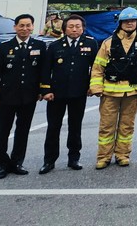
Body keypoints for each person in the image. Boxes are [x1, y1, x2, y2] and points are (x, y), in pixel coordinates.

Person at [89, 7, 137, 169]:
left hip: (132, 92)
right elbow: (98, 67)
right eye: (126, 21)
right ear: (120, 23)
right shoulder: (108, 43)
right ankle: (103, 157)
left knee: (127, 126)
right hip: (110, 92)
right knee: (106, 127)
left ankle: (122, 155)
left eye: (133, 21)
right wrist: (96, 87)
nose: (130, 23)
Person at [0, 14, 46, 179]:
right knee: (3, 132)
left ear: (32, 27)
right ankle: (2, 165)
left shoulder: (39, 46)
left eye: (28, 25)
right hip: (6, 97)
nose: (25, 29)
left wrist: (42, 90)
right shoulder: (4, 47)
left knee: (23, 131)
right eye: (21, 25)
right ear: (15, 27)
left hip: (28, 97)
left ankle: (17, 162)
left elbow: (42, 71)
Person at [39, 14, 98, 174]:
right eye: (71, 26)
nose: (74, 29)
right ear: (64, 29)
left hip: (79, 92)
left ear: (83, 28)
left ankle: (74, 158)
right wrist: (46, 90)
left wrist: (93, 86)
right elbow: (46, 70)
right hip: (56, 94)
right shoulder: (55, 46)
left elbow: (96, 68)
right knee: (53, 127)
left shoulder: (91, 44)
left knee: (75, 126)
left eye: (78, 26)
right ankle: (49, 160)